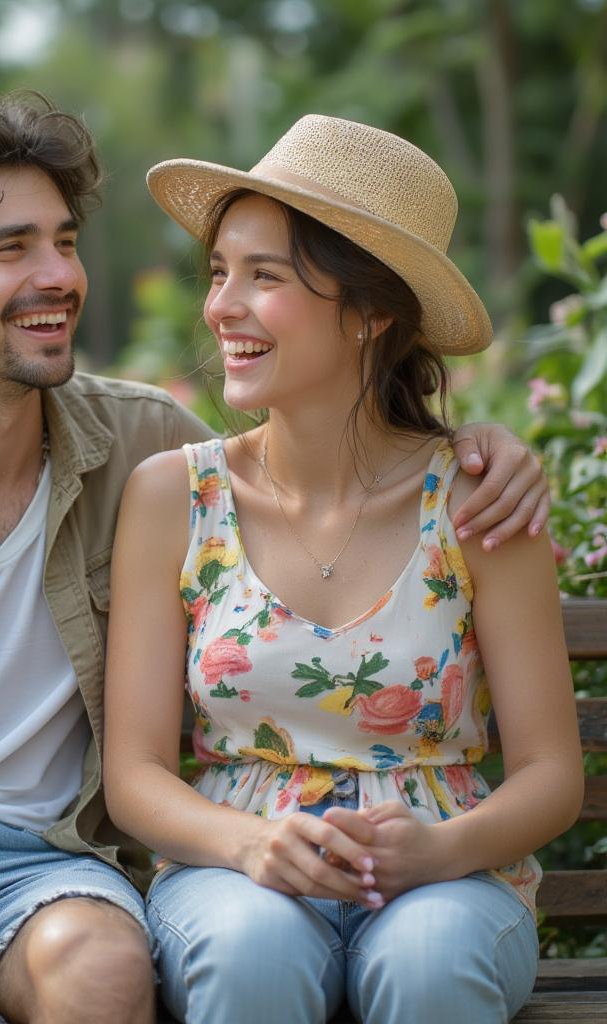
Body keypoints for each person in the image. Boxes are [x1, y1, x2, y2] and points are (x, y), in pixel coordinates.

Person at [0, 94, 549, 1024]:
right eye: (11, 249)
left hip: (48, 872)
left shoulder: (148, 449)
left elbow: (321, 448)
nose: (58, 275)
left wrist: (479, 448)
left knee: (101, 971)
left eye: (64, 241)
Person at [103, 114, 583, 1024]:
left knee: (432, 962)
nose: (221, 306)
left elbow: (552, 771)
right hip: (231, 873)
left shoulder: (479, 502)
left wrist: (444, 852)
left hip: (451, 875)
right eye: (220, 272)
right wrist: (248, 844)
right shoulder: (176, 495)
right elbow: (133, 771)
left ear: (371, 313)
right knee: (251, 956)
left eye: (265, 277)